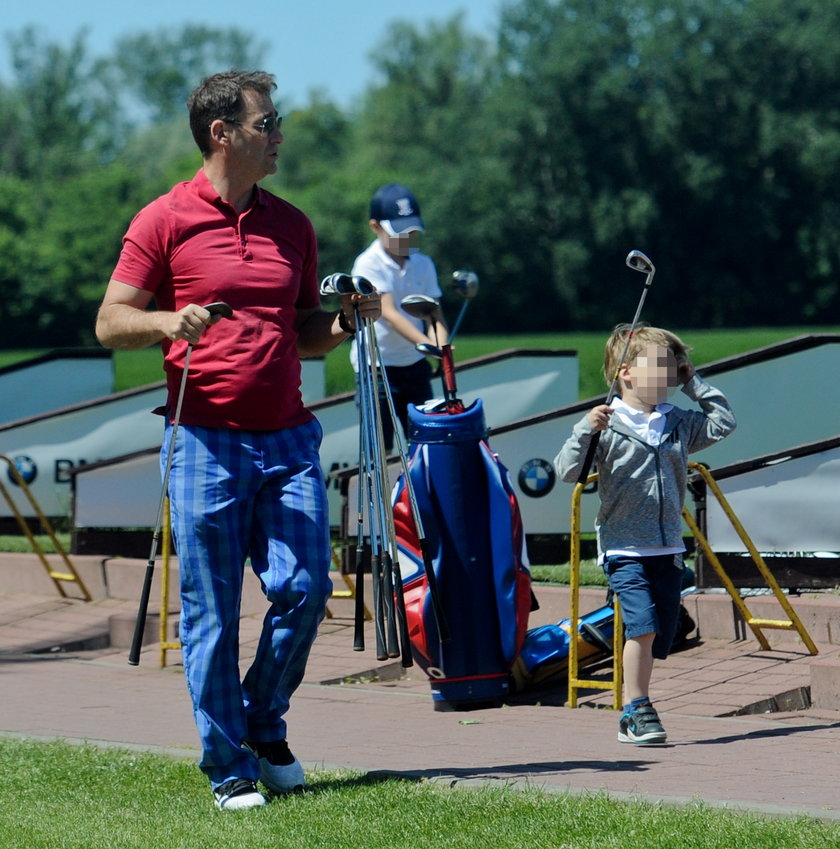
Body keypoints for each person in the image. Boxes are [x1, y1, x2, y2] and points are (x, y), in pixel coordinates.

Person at [95, 70, 380, 811]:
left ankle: (260, 720)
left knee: (307, 588)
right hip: (203, 441)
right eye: (268, 122)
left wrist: (348, 321)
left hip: (287, 438)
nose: (279, 133)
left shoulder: (294, 224)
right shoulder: (162, 220)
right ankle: (228, 764)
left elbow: (306, 336)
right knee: (213, 611)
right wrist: (169, 322)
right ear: (222, 133)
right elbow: (110, 320)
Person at [554, 323, 735, 745]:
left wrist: (695, 383)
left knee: (662, 632)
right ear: (625, 373)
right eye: (658, 366)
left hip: (668, 544)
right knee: (643, 625)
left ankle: (635, 705)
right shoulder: (608, 424)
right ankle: (637, 709)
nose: (667, 375)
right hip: (623, 547)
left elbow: (724, 423)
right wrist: (586, 428)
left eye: (673, 368)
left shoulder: (679, 423)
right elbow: (566, 470)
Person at [350, 183, 448, 451]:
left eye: (412, 232)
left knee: (425, 443)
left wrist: (442, 346)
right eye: (400, 233)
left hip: (415, 366)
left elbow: (433, 312)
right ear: (375, 227)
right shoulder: (368, 263)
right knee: (381, 450)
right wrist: (429, 347)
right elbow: (389, 313)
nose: (407, 239)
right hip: (377, 368)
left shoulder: (423, 263)